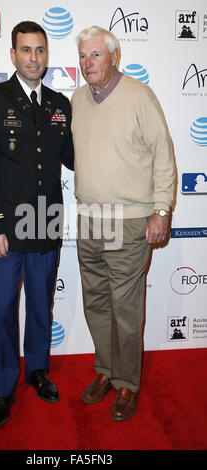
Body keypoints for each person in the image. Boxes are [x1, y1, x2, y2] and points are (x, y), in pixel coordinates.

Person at [0, 21, 74, 428]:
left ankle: (38, 371)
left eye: (40, 50)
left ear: (47, 55)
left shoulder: (61, 104)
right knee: (4, 311)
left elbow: (77, 158)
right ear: (13, 55)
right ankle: (3, 389)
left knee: (42, 306)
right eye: (26, 50)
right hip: (5, 232)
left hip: (46, 225)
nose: (33, 58)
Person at [71, 26, 175, 421]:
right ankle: (105, 372)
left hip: (131, 222)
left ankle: (127, 383)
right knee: (96, 304)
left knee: (126, 308)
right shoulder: (77, 99)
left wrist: (161, 211)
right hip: (88, 221)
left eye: (96, 55)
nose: (88, 63)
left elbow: (163, 157)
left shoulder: (138, 96)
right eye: (83, 56)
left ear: (114, 56)